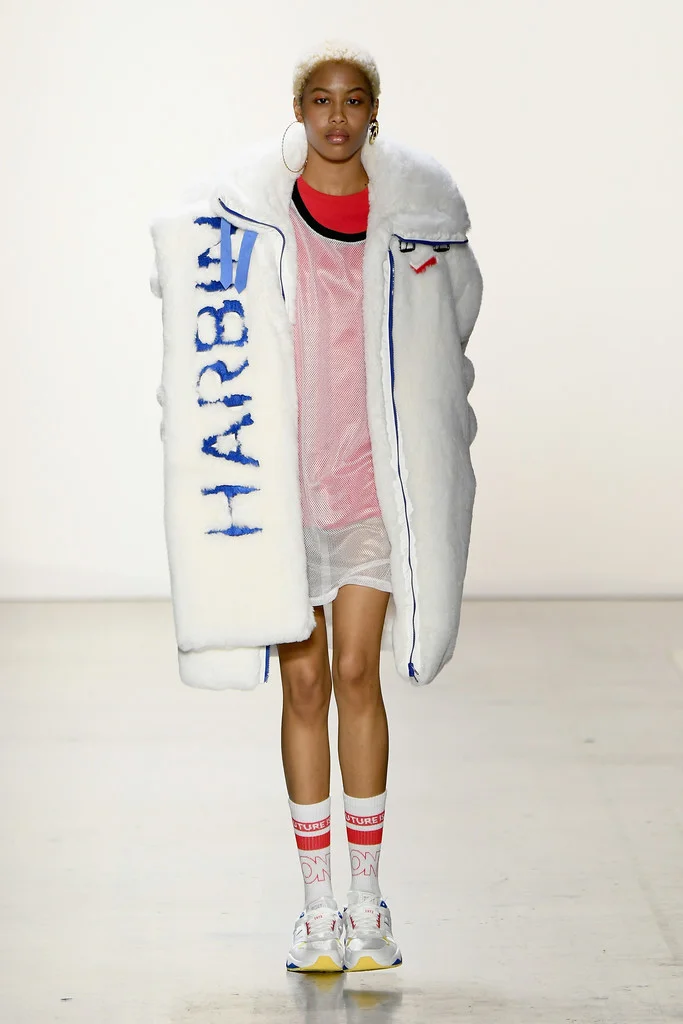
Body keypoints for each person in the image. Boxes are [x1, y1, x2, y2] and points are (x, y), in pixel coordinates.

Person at [150, 39, 483, 975]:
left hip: (370, 487)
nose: (337, 116)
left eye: (353, 99)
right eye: (321, 100)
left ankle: (367, 901)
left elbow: (453, 331)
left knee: (355, 676)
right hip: (283, 494)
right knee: (301, 688)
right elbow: (195, 318)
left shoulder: (417, 220)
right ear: (297, 110)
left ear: (374, 111)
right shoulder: (252, 217)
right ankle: (314, 908)